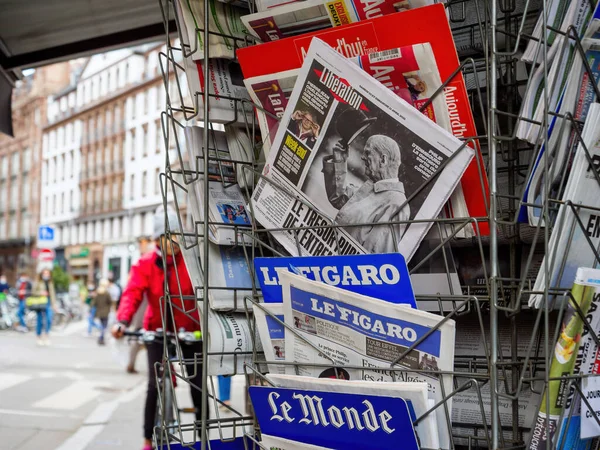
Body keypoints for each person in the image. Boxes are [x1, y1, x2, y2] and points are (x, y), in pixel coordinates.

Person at [112, 205, 204, 450]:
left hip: (190, 329)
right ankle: (147, 439)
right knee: (154, 384)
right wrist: (121, 320)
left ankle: (202, 433)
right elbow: (132, 293)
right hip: (157, 329)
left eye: (174, 235)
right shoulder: (145, 264)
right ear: (156, 240)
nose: (170, 242)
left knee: (197, 382)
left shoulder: (191, 261)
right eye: (163, 237)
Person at [322, 134, 410, 253]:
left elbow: (373, 254)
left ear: (383, 160)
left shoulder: (396, 204)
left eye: (367, 152)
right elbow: (339, 198)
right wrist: (339, 160)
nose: (363, 157)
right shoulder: (374, 187)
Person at [31, 266, 56, 346]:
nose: (46, 275)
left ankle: (46, 336)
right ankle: (38, 336)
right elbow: (33, 292)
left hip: (48, 302)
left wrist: (54, 305)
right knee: (40, 320)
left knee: (49, 319)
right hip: (40, 302)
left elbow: (52, 295)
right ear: (42, 274)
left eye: (47, 273)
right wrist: (41, 293)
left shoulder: (50, 283)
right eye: (45, 273)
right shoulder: (38, 282)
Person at [93, 279, 113, 346]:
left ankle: (101, 337)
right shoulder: (106, 293)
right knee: (104, 326)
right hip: (105, 312)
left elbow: (94, 302)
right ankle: (101, 338)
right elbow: (110, 301)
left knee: (102, 326)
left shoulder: (98, 293)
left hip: (99, 312)